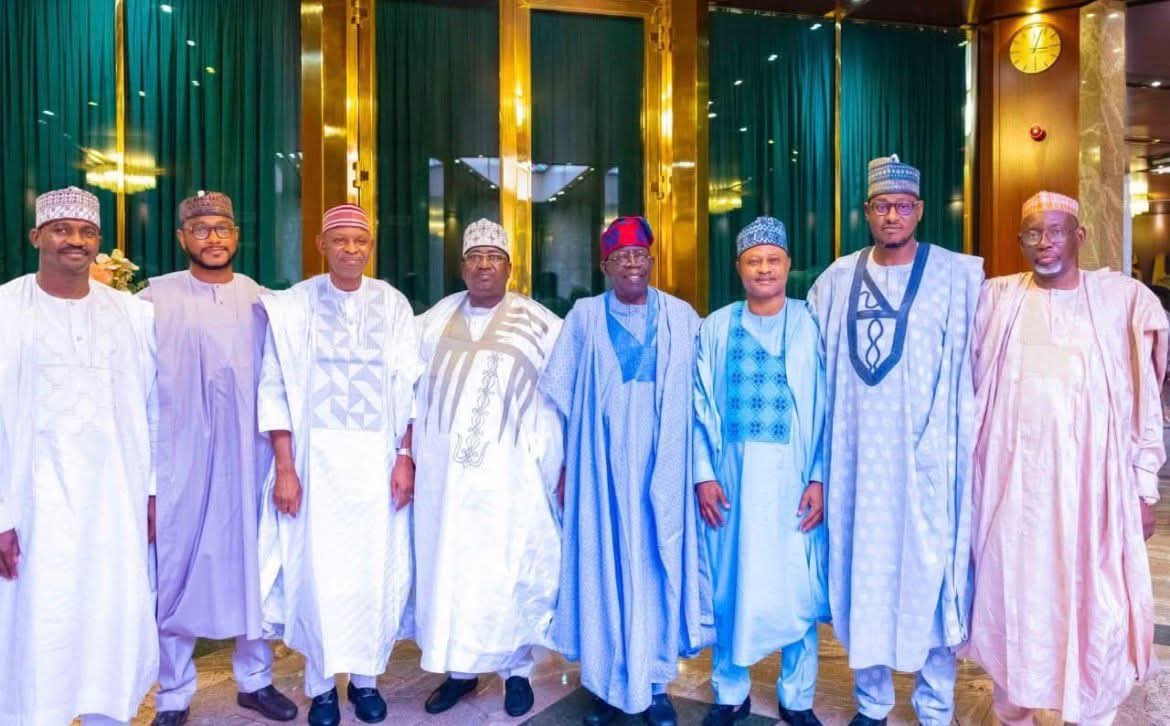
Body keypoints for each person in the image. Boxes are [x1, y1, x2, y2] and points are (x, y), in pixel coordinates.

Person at [965, 191, 1165, 725]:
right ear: (1020, 241)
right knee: (1013, 598)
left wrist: (1144, 486)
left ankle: (1090, 710)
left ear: (1079, 236)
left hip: (1092, 494)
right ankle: (1014, 709)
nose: (1044, 243)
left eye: (1056, 231)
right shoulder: (998, 299)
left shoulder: (1119, 299)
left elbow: (1145, 397)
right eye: (1033, 234)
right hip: (1012, 491)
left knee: (1095, 602)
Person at [807, 155, 983, 726]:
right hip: (857, 466)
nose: (892, 215)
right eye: (882, 205)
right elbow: (812, 370)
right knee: (866, 582)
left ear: (920, 210)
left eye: (902, 206)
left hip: (928, 465)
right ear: (867, 211)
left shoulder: (957, 277)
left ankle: (935, 707)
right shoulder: (836, 280)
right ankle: (872, 704)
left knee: (931, 582)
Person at [539, 216, 713, 726]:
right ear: (605, 266)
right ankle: (606, 685)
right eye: (621, 258)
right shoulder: (584, 317)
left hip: (666, 468)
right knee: (603, 568)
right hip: (600, 472)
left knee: (657, 567)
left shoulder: (682, 317)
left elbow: (703, 397)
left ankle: (655, 684)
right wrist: (564, 467)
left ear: (652, 262)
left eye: (640, 255)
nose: (632, 264)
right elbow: (560, 400)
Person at [255, 203, 423, 726]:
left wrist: (404, 457)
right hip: (315, 465)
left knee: (372, 572)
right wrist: (286, 468)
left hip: (376, 464)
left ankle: (367, 682)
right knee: (318, 575)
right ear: (321, 245)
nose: (351, 249)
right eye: (340, 240)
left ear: (371, 246)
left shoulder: (392, 304)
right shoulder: (295, 306)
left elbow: (410, 388)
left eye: (360, 241)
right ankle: (322, 686)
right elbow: (274, 387)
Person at [0, 186, 158, 725]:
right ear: (35, 237)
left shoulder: (133, 315)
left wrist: (152, 493)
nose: (76, 240)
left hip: (114, 498)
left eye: (87, 231)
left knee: (108, 613)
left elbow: (154, 408)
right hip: (30, 502)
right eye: (62, 229)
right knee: (36, 619)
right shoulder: (6, 309)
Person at [142, 191, 297, 726]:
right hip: (178, 459)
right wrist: (148, 481)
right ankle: (173, 694)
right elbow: (139, 391)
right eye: (201, 228)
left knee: (252, 563)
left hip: (249, 457)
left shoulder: (262, 301)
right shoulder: (152, 299)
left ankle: (255, 680)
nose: (213, 238)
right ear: (181, 237)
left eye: (222, 228)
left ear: (237, 236)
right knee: (176, 568)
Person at [412, 219, 563, 718]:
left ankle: (516, 672)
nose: (483, 266)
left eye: (493, 258)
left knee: (506, 572)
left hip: (509, 479)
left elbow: (559, 402)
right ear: (461, 267)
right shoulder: (432, 321)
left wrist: (556, 467)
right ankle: (459, 672)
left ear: (509, 268)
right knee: (451, 570)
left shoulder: (542, 325)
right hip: (444, 482)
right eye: (474, 257)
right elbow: (403, 388)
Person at [694, 217, 828, 726]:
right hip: (732, 486)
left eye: (773, 259)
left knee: (797, 588)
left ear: (788, 265)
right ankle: (730, 693)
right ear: (739, 268)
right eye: (754, 261)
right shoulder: (715, 327)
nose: (764, 269)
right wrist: (704, 475)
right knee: (731, 587)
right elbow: (698, 407)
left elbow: (829, 409)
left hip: (795, 483)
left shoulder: (811, 324)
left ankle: (798, 696)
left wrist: (819, 477)